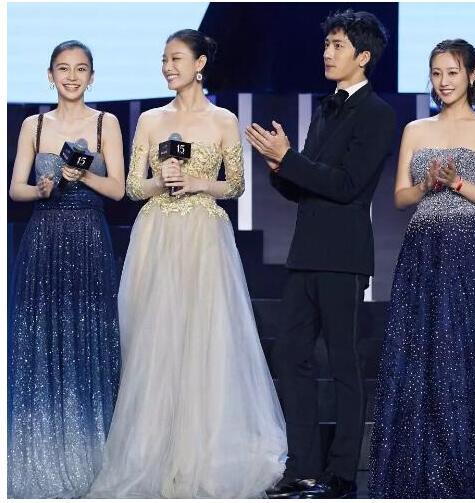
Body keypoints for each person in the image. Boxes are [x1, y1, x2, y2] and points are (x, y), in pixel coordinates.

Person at [87, 29, 287, 499]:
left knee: (204, 336)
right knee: (154, 338)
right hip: (157, 232)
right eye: (164, 59)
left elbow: (235, 184)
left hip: (202, 234)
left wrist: (198, 182)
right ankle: (151, 449)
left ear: (199, 64)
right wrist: (161, 180)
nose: (168, 67)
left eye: (176, 58)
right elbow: (133, 187)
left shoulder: (223, 119)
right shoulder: (151, 120)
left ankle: (202, 450)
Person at [246, 9, 395, 499]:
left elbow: (347, 185)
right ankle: (303, 467)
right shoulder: (326, 108)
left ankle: (342, 474)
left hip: (343, 256)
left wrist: (290, 160)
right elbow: (304, 188)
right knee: (290, 357)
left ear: (363, 56)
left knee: (344, 364)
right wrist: (279, 167)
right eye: (327, 44)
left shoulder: (377, 113)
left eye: (337, 46)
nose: (327, 53)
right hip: (305, 252)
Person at [369, 39, 475, 498]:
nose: (443, 82)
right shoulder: (415, 129)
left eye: (452, 72)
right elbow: (400, 198)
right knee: (418, 353)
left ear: (472, 76)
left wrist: (458, 182)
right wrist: (426, 183)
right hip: (422, 248)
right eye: (436, 73)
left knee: (464, 353)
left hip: (468, 250)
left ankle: (465, 470)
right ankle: (415, 472)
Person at [8, 40, 125, 498]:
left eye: (80, 69)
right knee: (44, 340)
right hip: (43, 239)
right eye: (63, 68)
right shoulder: (33, 125)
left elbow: (118, 189)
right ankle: (42, 453)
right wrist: (40, 190)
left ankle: (90, 453)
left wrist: (85, 177)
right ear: (50, 75)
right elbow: (14, 189)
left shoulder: (105, 122)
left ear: (91, 77)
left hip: (89, 238)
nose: (71, 77)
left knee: (87, 337)